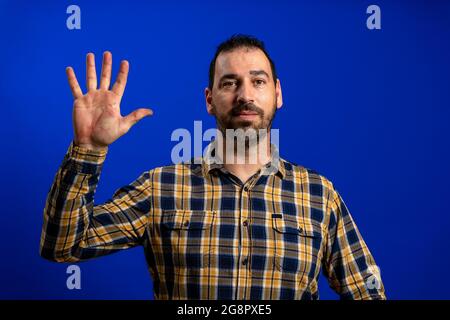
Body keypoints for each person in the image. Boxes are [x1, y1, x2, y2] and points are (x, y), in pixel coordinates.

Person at [40, 34, 386, 300]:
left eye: (258, 81)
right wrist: (89, 148)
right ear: (209, 99)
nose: (244, 95)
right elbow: (63, 246)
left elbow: (366, 291)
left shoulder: (318, 194)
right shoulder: (160, 188)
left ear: (277, 94)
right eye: (230, 82)